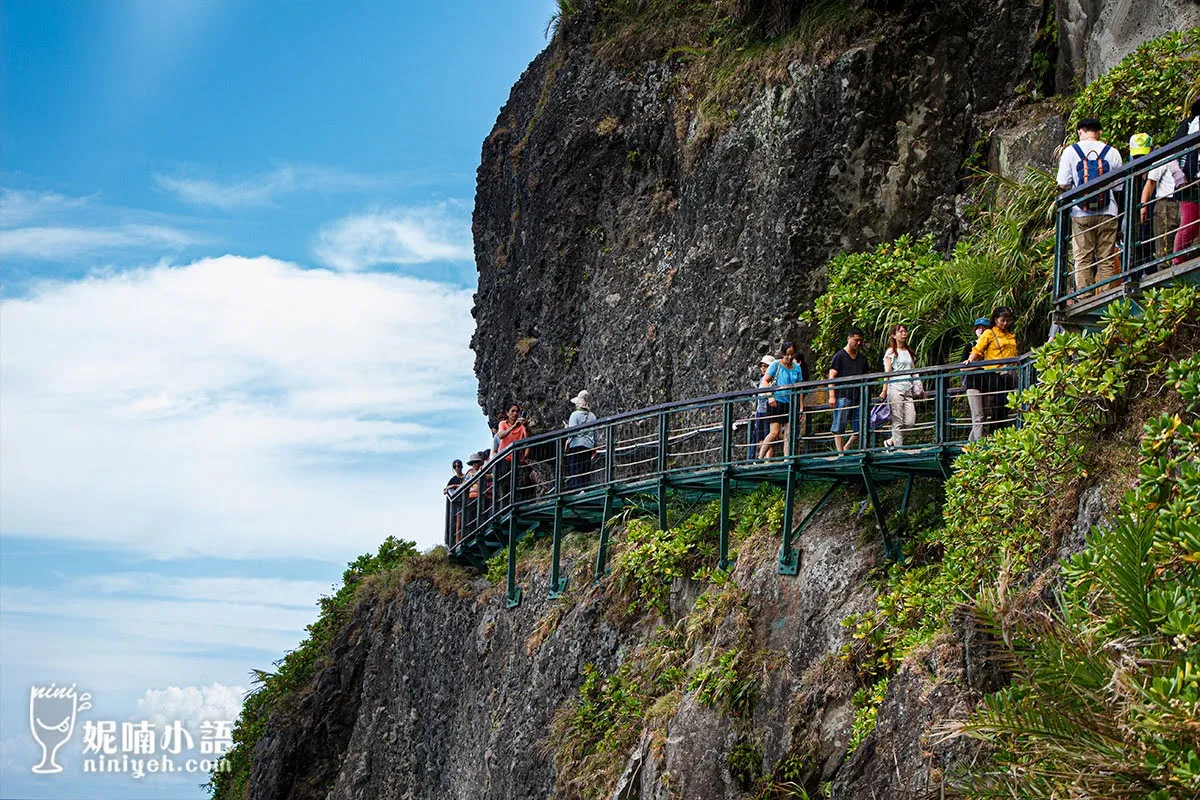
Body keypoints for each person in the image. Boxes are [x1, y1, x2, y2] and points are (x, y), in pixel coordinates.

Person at [1056, 118, 1123, 297]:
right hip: (1108, 211)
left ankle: (1085, 297)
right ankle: (1108, 296)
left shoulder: (1070, 152)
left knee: (1083, 258)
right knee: (1106, 257)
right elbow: (1119, 188)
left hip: (1080, 213)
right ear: (1099, 132)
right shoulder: (1113, 152)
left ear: (1080, 131)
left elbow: (1063, 184)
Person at [966, 306, 1018, 440]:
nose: (1005, 323)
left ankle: (1001, 433)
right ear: (995, 320)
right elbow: (979, 349)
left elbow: (1014, 354)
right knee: (999, 402)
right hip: (993, 372)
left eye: (1007, 320)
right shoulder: (989, 333)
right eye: (1002, 320)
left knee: (1007, 403)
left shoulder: (1011, 336)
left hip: (1009, 373)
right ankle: (994, 433)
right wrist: (970, 360)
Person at [758, 342, 804, 458]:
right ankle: (760, 457)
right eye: (787, 355)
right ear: (783, 354)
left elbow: (800, 387)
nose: (789, 357)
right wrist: (770, 396)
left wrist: (801, 406)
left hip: (790, 403)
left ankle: (786, 460)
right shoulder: (776, 364)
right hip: (776, 402)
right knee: (775, 432)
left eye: (792, 355)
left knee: (788, 434)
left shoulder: (797, 368)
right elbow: (765, 381)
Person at [1141, 150, 1185, 266]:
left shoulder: (1191, 155)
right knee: (1164, 247)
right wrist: (1143, 207)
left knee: (1187, 242)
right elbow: (1150, 184)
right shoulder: (1165, 156)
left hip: (1186, 201)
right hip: (1165, 203)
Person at [828, 328, 868, 452]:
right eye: (856, 340)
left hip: (858, 396)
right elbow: (832, 376)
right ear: (849, 339)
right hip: (842, 395)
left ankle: (846, 447)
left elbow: (866, 376)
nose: (858, 343)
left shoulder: (862, 358)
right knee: (839, 425)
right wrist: (832, 395)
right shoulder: (840, 356)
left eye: (860, 341)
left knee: (861, 427)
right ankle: (840, 452)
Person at [879, 324, 919, 447]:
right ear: (894, 335)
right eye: (900, 331)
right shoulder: (891, 352)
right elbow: (888, 372)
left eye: (904, 331)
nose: (903, 333)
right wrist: (884, 389)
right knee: (897, 420)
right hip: (895, 388)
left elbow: (913, 371)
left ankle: (890, 441)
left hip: (908, 389)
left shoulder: (908, 352)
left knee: (910, 421)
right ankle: (898, 449)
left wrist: (919, 388)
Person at [1172, 99, 1200, 265]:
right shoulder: (1189, 125)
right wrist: (1180, 178)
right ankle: (1178, 259)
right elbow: (1172, 155)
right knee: (1189, 223)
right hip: (1190, 181)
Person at [1128, 133, 1156, 271]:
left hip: (1153, 213)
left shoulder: (1158, 166)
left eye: (1143, 155)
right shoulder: (1130, 173)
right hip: (1136, 219)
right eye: (1137, 156)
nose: (1140, 159)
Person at [963, 317, 992, 441]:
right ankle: (978, 444)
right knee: (978, 416)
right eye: (978, 328)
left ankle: (970, 443)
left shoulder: (991, 347)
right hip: (973, 384)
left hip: (988, 383)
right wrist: (980, 365)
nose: (981, 330)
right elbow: (963, 368)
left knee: (983, 416)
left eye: (984, 328)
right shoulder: (970, 346)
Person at [496, 404, 529, 500]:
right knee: (504, 485)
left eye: (517, 411)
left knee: (517, 484)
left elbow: (527, 440)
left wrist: (526, 426)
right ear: (507, 413)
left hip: (517, 459)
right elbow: (501, 435)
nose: (515, 413)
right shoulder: (503, 423)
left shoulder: (522, 426)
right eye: (512, 411)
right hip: (504, 459)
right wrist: (514, 426)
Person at [566, 390, 597, 489]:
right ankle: (585, 488)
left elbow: (572, 432)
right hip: (588, 445)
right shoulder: (592, 416)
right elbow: (595, 433)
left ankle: (576, 489)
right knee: (585, 468)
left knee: (575, 468)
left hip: (576, 445)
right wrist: (594, 446)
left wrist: (567, 430)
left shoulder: (574, 415)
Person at [748, 355, 774, 459]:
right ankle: (763, 459)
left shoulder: (772, 380)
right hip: (760, 411)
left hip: (768, 411)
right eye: (762, 366)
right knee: (761, 439)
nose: (763, 368)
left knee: (769, 439)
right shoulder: (762, 379)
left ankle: (767, 461)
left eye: (765, 366)